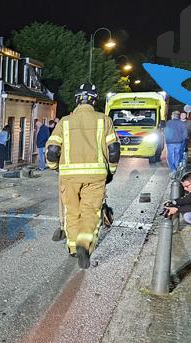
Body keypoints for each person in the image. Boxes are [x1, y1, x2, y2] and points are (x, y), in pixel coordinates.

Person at [46, 83, 120, 269]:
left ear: (77, 99)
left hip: (69, 177)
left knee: (71, 211)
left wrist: (55, 167)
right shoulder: (104, 120)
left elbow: (52, 150)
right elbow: (114, 150)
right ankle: (83, 244)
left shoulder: (65, 122)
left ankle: (72, 248)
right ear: (94, 100)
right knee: (90, 212)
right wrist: (111, 170)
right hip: (96, 177)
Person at [164, 111, 189, 178]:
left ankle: (173, 169)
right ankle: (176, 168)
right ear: (178, 116)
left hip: (170, 142)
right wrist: (181, 140)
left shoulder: (169, 122)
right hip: (179, 142)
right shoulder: (182, 123)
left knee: (169, 156)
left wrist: (166, 139)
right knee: (177, 156)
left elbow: (165, 132)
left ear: (173, 116)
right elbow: (185, 134)